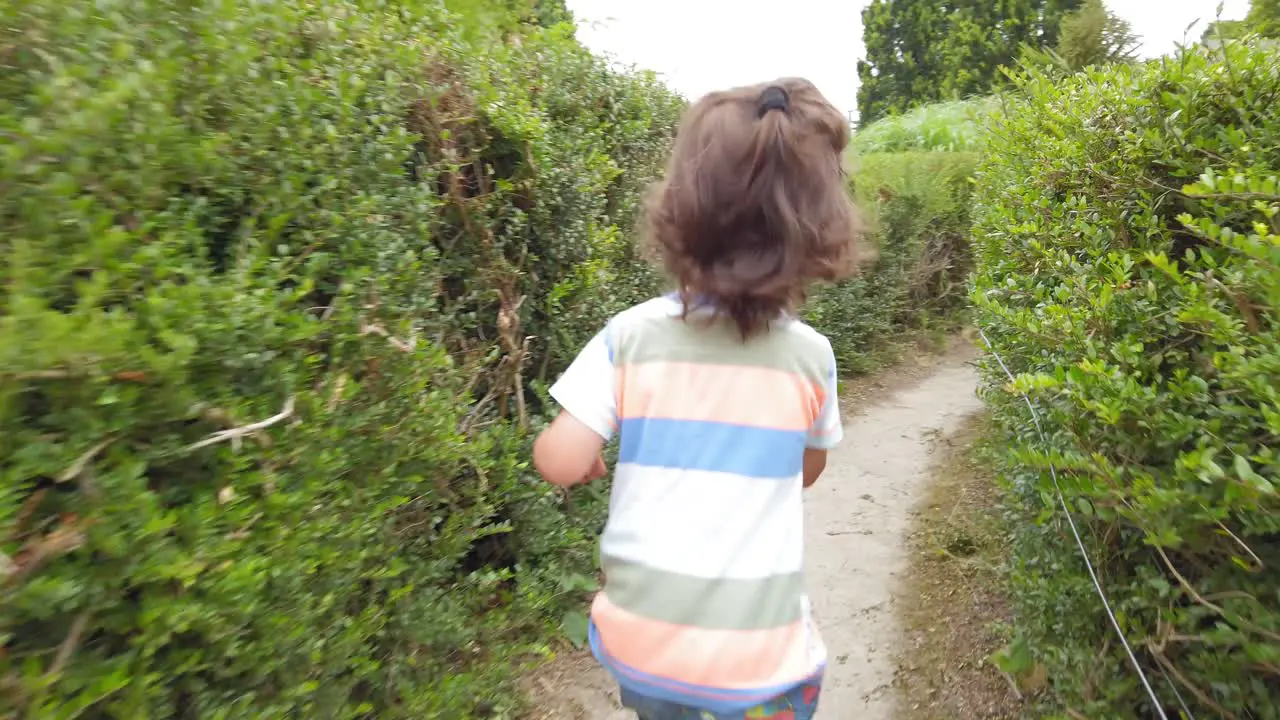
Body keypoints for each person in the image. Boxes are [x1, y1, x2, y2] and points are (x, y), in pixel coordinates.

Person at [532, 77, 864, 720]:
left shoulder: (628, 337)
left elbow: (560, 460)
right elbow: (808, 470)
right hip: (758, 665)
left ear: (681, 210)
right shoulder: (810, 359)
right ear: (821, 227)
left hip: (645, 650)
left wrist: (591, 453)